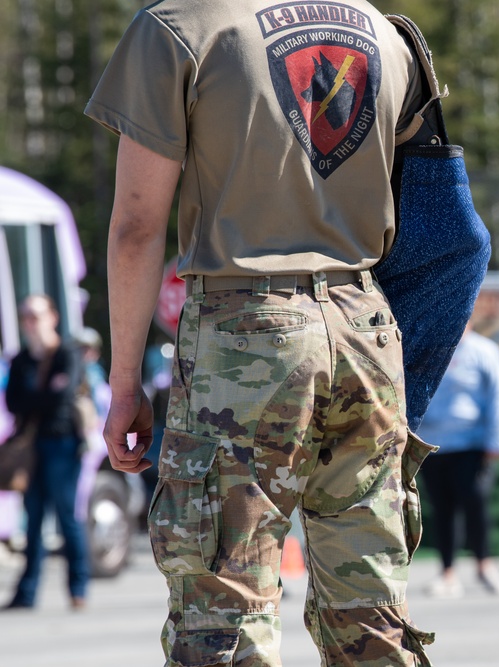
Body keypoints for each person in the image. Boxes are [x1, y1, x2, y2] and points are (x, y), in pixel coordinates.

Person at [85, 3, 440, 665]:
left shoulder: (180, 26)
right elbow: (435, 206)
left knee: (225, 608)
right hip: (364, 323)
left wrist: (126, 382)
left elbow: (138, 227)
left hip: (244, 334)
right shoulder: (382, 31)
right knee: (371, 614)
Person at [416, 324, 499, 599]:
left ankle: (484, 565)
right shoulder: (429, 348)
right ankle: (447, 572)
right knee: (442, 509)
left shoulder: (483, 351)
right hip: (432, 443)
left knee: (475, 502)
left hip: (472, 444)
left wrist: (498, 440)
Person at [2, 295, 89, 611]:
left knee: (68, 517)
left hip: (62, 444)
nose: (30, 322)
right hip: (31, 447)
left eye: (35, 315)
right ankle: (26, 594)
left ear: (52, 317)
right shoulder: (21, 359)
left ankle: (78, 589)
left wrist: (36, 397)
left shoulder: (67, 353)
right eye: (25, 316)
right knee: (34, 520)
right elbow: (13, 402)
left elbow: (63, 397)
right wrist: (43, 394)